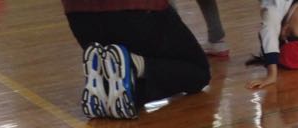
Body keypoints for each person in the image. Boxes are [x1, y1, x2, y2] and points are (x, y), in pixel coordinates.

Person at [60, 0, 210, 120]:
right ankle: (134, 65)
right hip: (136, 12)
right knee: (198, 71)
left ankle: (107, 91)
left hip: (79, 19)